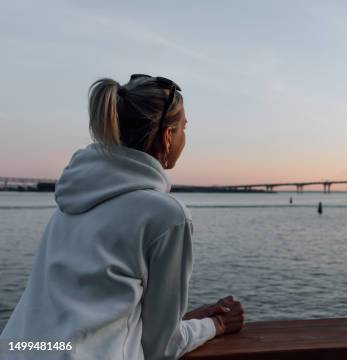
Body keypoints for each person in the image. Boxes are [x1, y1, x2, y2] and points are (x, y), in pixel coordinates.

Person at [0, 74, 244, 359]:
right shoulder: (166, 216)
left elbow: (83, 320)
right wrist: (216, 324)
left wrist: (188, 319)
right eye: (183, 129)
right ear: (167, 137)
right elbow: (162, 348)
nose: (184, 138)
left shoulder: (70, 202)